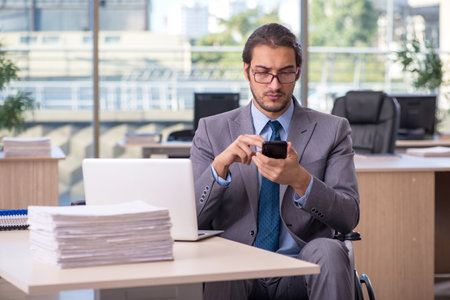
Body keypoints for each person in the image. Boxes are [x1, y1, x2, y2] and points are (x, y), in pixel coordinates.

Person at [190, 23, 359, 300]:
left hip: (302, 265)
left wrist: (300, 180)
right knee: (225, 259)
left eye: (285, 73)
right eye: (263, 73)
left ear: (298, 72)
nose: (274, 85)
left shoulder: (333, 129)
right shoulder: (212, 130)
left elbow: (348, 217)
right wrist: (219, 168)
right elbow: (192, 221)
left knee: (330, 250)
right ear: (246, 71)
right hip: (238, 267)